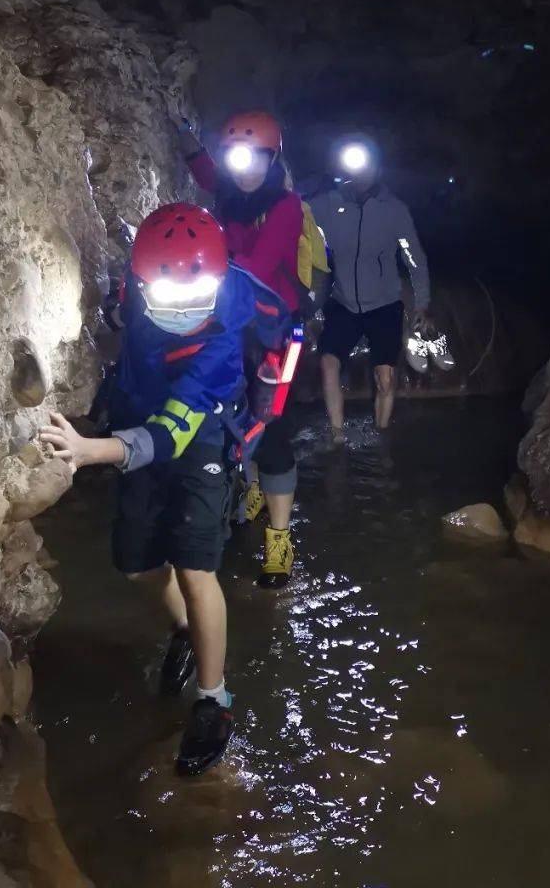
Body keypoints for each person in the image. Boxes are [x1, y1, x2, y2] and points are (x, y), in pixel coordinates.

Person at [40, 202, 285, 777]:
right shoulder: (137, 290)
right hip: (138, 417)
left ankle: (214, 699)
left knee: (196, 567)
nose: (181, 310)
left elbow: (170, 435)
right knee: (135, 564)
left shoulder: (222, 340)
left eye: (195, 296)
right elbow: (122, 323)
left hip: (200, 437)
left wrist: (91, 450)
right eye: (167, 297)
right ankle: (186, 631)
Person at [170, 106, 303, 589]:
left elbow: (259, 267)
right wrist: (186, 137)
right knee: (232, 417)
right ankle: (251, 487)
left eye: (254, 158)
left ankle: (280, 540)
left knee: (273, 429)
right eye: (236, 159)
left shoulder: (286, 207)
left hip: (277, 332)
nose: (244, 169)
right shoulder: (228, 195)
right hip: (233, 328)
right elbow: (208, 174)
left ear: (272, 158)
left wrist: (202, 257)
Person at [309, 137, 432, 440]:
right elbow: (295, 212)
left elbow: (414, 258)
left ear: (378, 169)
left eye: (368, 166)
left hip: (384, 304)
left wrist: (422, 304)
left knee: (385, 378)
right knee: (328, 363)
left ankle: (382, 435)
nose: (361, 173)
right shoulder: (329, 204)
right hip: (343, 303)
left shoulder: (395, 210)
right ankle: (337, 435)